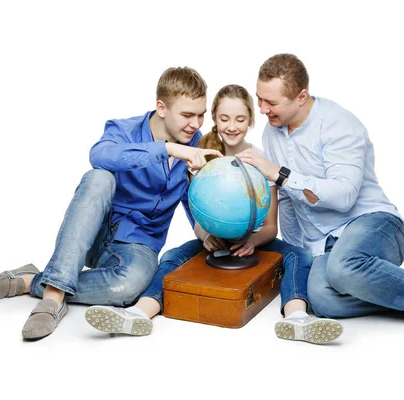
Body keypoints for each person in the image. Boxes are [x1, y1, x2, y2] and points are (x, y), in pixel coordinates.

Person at [234, 53, 404, 334]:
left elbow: (344, 195)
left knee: (342, 268)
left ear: (301, 96)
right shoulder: (271, 133)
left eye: (271, 102)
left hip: (375, 223)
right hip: (326, 245)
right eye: (259, 99)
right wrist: (301, 252)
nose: (261, 109)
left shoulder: (339, 123)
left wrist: (280, 174)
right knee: (322, 300)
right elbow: (287, 203)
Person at [85, 84, 343, 344]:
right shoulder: (201, 159)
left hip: (254, 243)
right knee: (173, 257)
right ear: (214, 120)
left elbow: (270, 227)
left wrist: (251, 242)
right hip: (216, 241)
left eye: (240, 119)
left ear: (251, 120)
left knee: (298, 255)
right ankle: (138, 313)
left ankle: (296, 318)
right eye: (224, 118)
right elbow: (194, 212)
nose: (232, 126)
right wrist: (206, 236)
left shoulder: (260, 162)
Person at [0, 67, 222, 340]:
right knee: (99, 178)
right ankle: (54, 298)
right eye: (187, 115)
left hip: (138, 246)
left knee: (130, 288)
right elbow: (99, 155)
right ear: (161, 108)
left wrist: (204, 232)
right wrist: (166, 149)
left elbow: (192, 197)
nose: (196, 123)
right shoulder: (124, 129)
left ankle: (32, 281)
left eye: (201, 114)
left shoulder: (198, 144)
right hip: (95, 232)